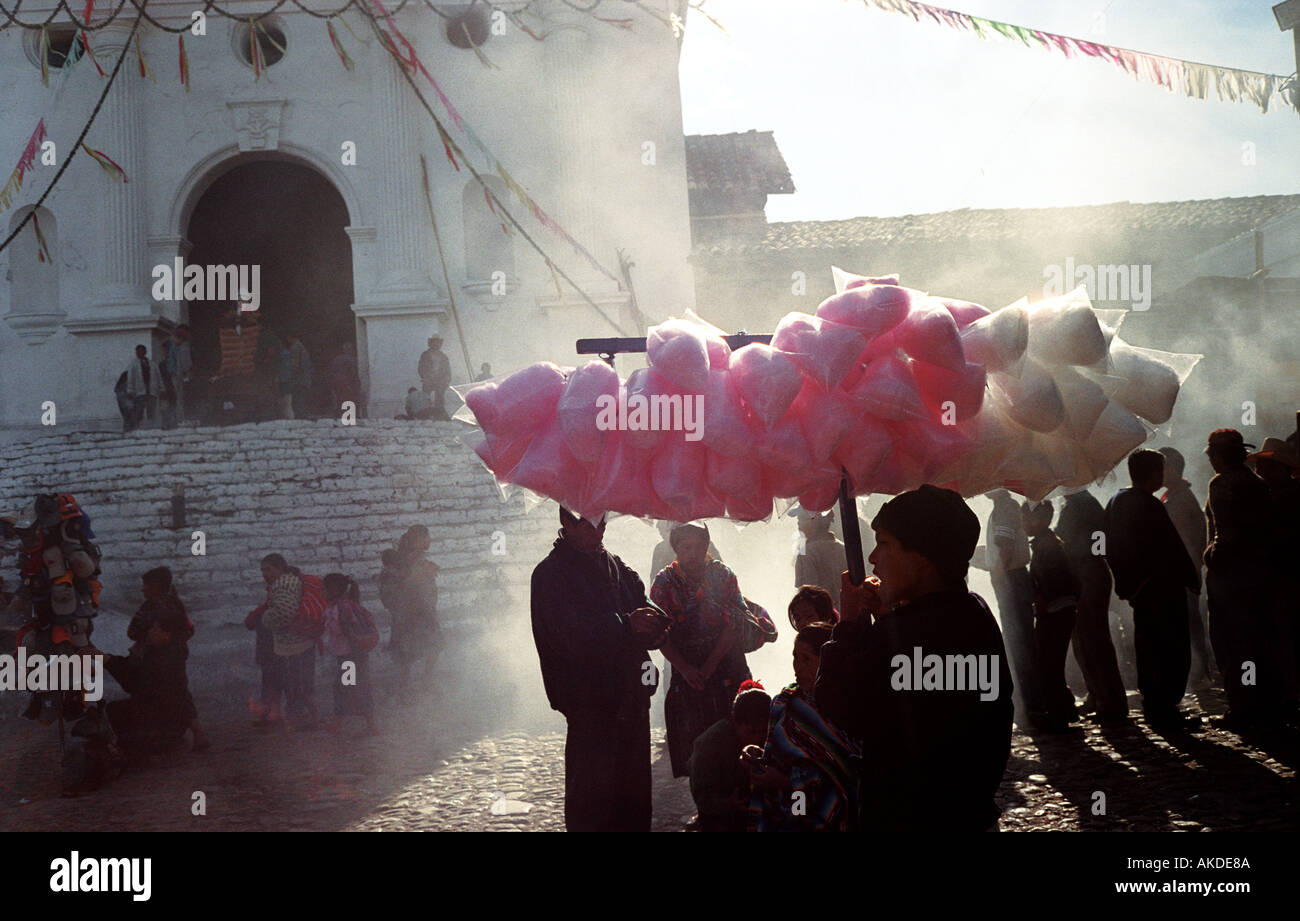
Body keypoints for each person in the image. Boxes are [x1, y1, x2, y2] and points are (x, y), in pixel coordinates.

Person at [816, 485, 1014, 833]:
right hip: (970, 814)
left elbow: (836, 706)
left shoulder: (905, 635)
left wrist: (846, 626)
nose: (873, 557)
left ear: (922, 556)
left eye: (885, 544)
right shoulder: (976, 615)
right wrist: (889, 623)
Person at [531, 506, 671, 832]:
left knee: (634, 800)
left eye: (602, 524)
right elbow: (570, 635)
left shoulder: (614, 564)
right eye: (590, 526)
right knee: (592, 802)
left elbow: (643, 602)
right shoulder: (550, 575)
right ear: (566, 522)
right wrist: (626, 627)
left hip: (632, 698)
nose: (599, 534)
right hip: (589, 704)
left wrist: (655, 624)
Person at [1103, 450, 1202, 732]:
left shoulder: (1117, 501)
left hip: (1141, 591)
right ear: (1155, 473)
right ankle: (1166, 708)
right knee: (1170, 648)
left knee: (1148, 647)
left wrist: (1129, 584)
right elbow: (1170, 548)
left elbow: (1110, 547)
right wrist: (1191, 578)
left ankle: (1154, 706)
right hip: (1162, 589)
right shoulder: (1148, 505)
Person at [650, 521, 754, 779]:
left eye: (699, 547)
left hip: (726, 664)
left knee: (733, 734)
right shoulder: (664, 583)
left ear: (707, 547)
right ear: (675, 549)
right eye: (686, 547)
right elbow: (658, 630)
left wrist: (709, 665)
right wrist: (685, 668)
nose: (693, 553)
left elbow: (736, 622)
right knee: (695, 741)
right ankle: (706, 805)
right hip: (686, 670)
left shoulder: (723, 576)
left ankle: (737, 801)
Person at [1205, 429, 1285, 729]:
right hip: (1259, 576)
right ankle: (1262, 703)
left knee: (1232, 644)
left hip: (1231, 578)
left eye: (1213, 455)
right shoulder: (1257, 484)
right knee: (1256, 642)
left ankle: (1243, 706)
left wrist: (1212, 557)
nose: (1212, 460)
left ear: (1219, 456)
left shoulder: (1222, 484)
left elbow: (1225, 533)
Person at [747, 623, 860, 832]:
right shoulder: (784, 703)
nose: (797, 666)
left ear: (828, 663)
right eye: (795, 657)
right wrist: (756, 757)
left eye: (806, 659)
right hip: (786, 811)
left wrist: (786, 781)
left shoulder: (846, 712)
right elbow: (774, 754)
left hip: (830, 813)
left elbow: (845, 776)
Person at [1056, 488, 1128, 721]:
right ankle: (1098, 696)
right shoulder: (1085, 504)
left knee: (1093, 640)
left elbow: (1073, 542)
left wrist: (1088, 561)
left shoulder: (1079, 505)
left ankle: (1109, 701)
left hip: (1086, 575)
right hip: (1088, 572)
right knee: (1086, 639)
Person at [129, 567, 210, 751]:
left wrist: (151, 637)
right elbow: (189, 630)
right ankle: (197, 733)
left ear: (156, 587)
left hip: (156, 661)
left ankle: (165, 738)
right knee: (181, 694)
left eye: (147, 587)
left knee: (159, 696)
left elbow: (132, 632)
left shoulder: (149, 607)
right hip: (177, 659)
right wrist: (174, 639)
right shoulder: (177, 605)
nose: (144, 591)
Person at [1248, 436, 1300, 715]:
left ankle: (1288, 695)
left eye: (1266, 467)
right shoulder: (1278, 495)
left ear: (1281, 468)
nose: (1261, 472)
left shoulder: (1286, 498)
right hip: (1280, 577)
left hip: (1285, 577)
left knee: (1285, 636)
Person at [985, 488, 1045, 731]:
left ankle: (1032, 707)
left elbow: (1006, 547)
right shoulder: (1006, 507)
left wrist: (998, 576)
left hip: (1011, 580)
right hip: (1013, 578)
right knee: (1020, 641)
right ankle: (1032, 705)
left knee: (1019, 643)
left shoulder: (1004, 508)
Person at [103, 607, 194, 763]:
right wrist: (107, 660)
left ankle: (155, 748)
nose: (150, 631)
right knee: (118, 710)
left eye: (155, 628)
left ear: (167, 634)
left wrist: (108, 661)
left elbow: (135, 682)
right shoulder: (166, 652)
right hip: (173, 721)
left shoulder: (163, 659)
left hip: (165, 722)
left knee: (119, 716)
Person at [1021, 500, 1080, 731]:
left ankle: (1059, 713)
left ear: (1044, 520)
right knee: (1050, 663)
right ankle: (1064, 709)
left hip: (1056, 611)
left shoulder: (1049, 547)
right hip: (1057, 611)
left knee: (1048, 663)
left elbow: (1056, 582)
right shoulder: (1046, 544)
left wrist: (1041, 597)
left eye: (1029, 518)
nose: (1025, 523)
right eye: (1023, 518)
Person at [1159, 447, 1215, 686]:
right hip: (1185, 568)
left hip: (1183, 569)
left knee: (1187, 620)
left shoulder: (1180, 499)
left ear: (1171, 470)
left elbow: (1184, 541)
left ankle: (1198, 671)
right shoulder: (1176, 496)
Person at [688, 681, 771, 832]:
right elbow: (702, 798)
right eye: (751, 732)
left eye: (763, 732)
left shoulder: (772, 738)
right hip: (720, 816)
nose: (758, 739)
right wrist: (727, 803)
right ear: (736, 723)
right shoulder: (709, 745)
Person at [258, 554, 319, 730]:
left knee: (296, 683)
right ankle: (306, 717)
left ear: (280, 568)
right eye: (262, 570)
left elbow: (284, 615)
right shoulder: (287, 582)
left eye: (268, 569)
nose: (265, 574)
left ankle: (302, 718)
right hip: (298, 642)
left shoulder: (283, 584)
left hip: (294, 644)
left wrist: (265, 619)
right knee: (300, 683)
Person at [385, 526, 442, 696]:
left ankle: (406, 685)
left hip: (405, 614)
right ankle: (425, 681)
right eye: (427, 537)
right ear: (419, 540)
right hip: (419, 613)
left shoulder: (404, 558)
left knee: (408, 652)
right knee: (433, 646)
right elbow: (419, 588)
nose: (429, 541)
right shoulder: (417, 562)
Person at [320, 573, 378, 735]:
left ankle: (344, 724)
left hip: (349, 658)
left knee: (346, 688)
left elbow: (341, 630)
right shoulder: (345, 604)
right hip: (353, 656)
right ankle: (366, 724)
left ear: (333, 590)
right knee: (350, 688)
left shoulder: (339, 607)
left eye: (324, 589)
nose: (322, 593)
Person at [794, 511, 845, 610]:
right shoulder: (843, 548)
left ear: (815, 522)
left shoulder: (805, 553)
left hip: (822, 616)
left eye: (802, 519)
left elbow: (807, 593)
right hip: (847, 612)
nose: (798, 523)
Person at [122, 344, 161, 431]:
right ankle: (138, 427)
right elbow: (130, 378)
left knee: (151, 409)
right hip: (139, 392)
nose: (140, 353)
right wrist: (130, 390)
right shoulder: (133, 365)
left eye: (142, 351)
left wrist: (161, 388)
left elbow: (158, 376)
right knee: (139, 410)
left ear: (145, 352)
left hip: (151, 391)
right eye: (138, 351)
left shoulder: (152, 364)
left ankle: (152, 426)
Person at [417, 335, 452, 420]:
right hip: (428, 379)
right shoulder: (425, 355)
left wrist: (447, 379)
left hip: (440, 380)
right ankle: (425, 415)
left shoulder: (443, 356)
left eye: (438, 342)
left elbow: (447, 369)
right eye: (434, 342)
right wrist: (424, 376)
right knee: (426, 397)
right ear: (431, 343)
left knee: (439, 397)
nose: (436, 344)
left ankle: (439, 414)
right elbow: (421, 366)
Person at [163, 325, 193, 426]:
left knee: (179, 398)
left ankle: (180, 418)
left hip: (176, 375)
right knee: (181, 397)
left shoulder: (175, 347)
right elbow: (185, 364)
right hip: (179, 375)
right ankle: (182, 418)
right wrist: (186, 376)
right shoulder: (181, 347)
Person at [285, 333, 313, 419]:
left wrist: (290, 376)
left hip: (298, 380)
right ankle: (302, 415)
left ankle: (300, 417)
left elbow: (294, 365)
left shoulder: (295, 347)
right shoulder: (301, 347)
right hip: (303, 379)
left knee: (298, 399)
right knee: (301, 398)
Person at [327, 345, 361, 415]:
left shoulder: (336, 359)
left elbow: (331, 372)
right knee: (349, 399)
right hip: (346, 382)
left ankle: (339, 414)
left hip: (337, 382)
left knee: (339, 399)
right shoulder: (351, 360)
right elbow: (353, 373)